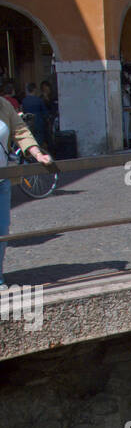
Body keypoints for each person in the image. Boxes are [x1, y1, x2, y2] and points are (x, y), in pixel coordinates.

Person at [0, 90, 53, 286]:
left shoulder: (3, 106)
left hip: (2, 180)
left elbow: (20, 131)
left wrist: (38, 154)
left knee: (2, 230)